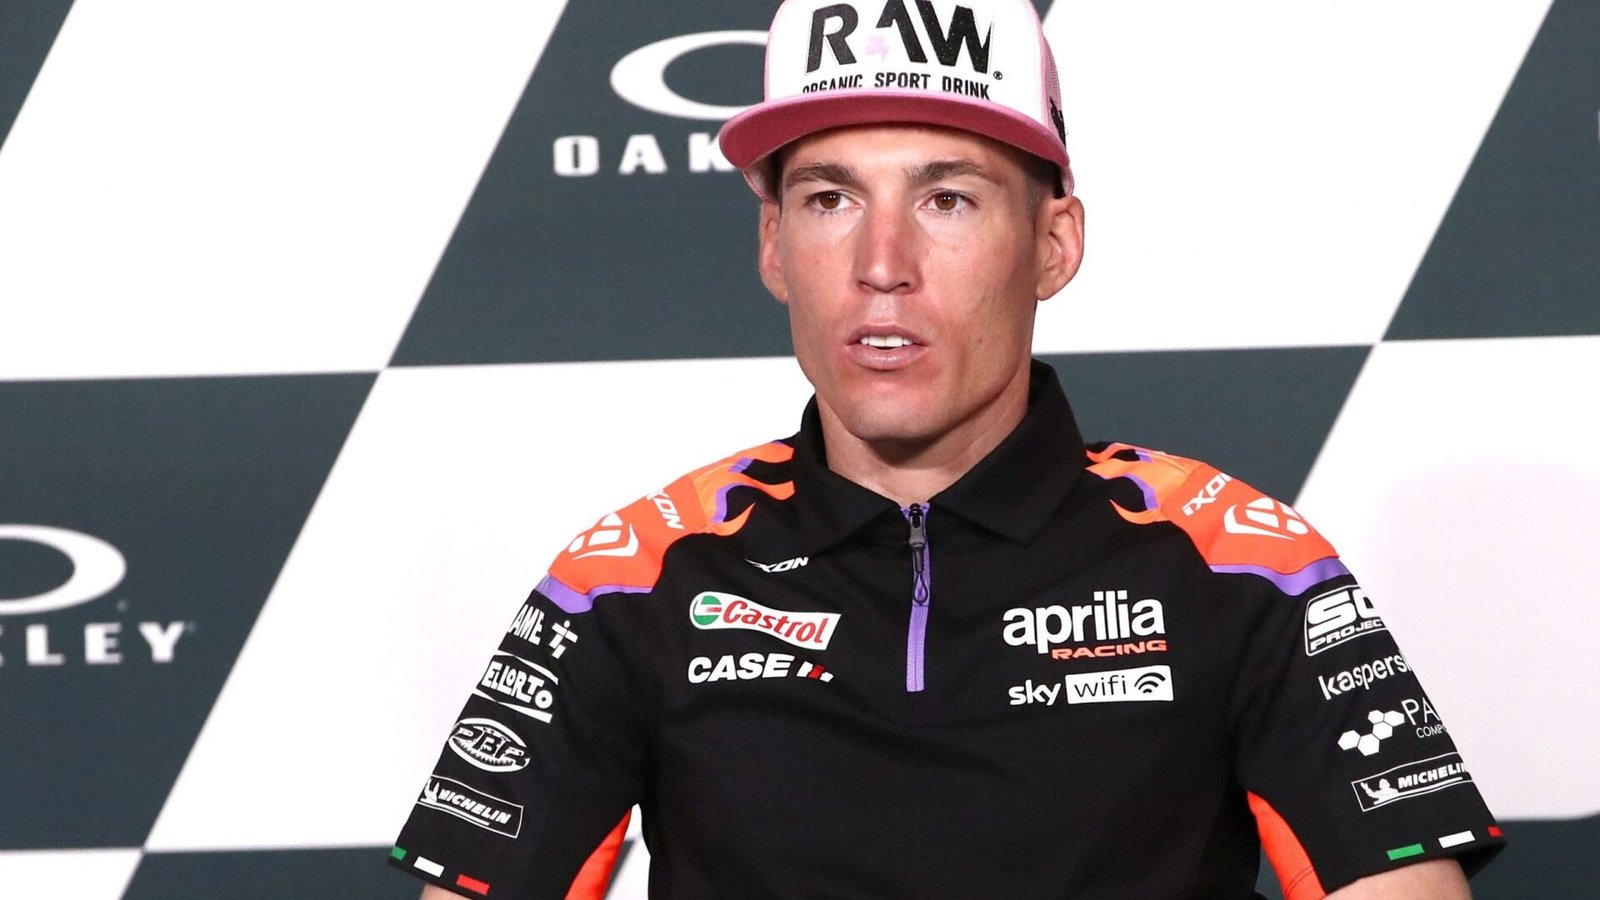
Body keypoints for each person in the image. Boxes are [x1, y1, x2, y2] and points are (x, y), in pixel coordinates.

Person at [391, 0, 1504, 896]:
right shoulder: (633, 576)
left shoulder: (1240, 562)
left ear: (1053, 243)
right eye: (830, 198)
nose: (883, 262)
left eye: (949, 200)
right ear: (773, 244)